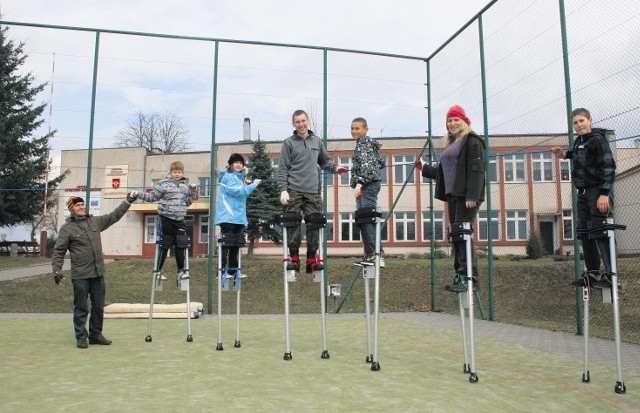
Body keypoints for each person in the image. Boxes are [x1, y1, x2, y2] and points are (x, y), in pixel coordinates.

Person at [52, 191, 138, 349]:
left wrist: (128, 201)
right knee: (81, 307)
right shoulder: (67, 229)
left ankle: (95, 335)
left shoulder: (94, 222)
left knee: (98, 306)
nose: (81, 207)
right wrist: (57, 271)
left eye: (82, 204)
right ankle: (81, 337)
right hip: (80, 275)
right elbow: (58, 251)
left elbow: (114, 216)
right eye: (77, 205)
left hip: (98, 273)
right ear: (71, 209)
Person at [415, 105, 486, 292]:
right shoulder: (453, 143)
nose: (452, 123)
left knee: (463, 234)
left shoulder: (472, 141)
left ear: (464, 121)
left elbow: (477, 169)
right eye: (449, 120)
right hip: (453, 195)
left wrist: (472, 195)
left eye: (456, 120)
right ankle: (461, 275)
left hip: (466, 196)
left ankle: (471, 278)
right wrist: (425, 168)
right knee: (456, 236)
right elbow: (443, 172)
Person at [552, 108, 616, 288]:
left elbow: (608, 166)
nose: (579, 125)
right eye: (575, 123)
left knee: (601, 230)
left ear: (590, 120)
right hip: (583, 192)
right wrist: (563, 154)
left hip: (598, 191)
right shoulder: (580, 141)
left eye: (581, 121)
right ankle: (593, 273)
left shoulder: (598, 140)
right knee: (585, 232)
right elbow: (579, 155)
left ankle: (611, 275)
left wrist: (604, 193)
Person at [278, 109, 348, 273]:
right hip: (293, 189)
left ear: (307, 121)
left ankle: (311, 259)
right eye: (297, 122)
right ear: (293, 124)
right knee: (293, 223)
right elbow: (282, 169)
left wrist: (336, 168)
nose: (301, 124)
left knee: (315, 223)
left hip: (312, 191)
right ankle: (294, 259)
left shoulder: (316, 141)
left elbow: (325, 162)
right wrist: (283, 190)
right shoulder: (288, 143)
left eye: (303, 121)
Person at [136, 161, 197, 285]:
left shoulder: (184, 187)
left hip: (179, 220)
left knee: (180, 245)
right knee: (165, 244)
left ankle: (180, 271)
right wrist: (138, 194)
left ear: (183, 173)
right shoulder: (163, 184)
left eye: (179, 172)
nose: (177, 174)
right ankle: (158, 270)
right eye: (175, 172)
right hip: (166, 218)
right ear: (171, 172)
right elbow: (151, 197)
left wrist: (193, 191)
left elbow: (188, 202)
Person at [215, 153, 261, 275]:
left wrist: (244, 183)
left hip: (238, 217)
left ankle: (233, 270)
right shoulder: (228, 177)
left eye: (241, 163)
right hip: (228, 216)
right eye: (236, 162)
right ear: (230, 164)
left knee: (236, 244)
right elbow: (240, 192)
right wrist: (254, 185)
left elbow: (240, 188)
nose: (239, 165)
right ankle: (221, 270)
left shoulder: (238, 179)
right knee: (226, 244)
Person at [349, 117, 386, 267]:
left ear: (365, 129)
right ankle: (372, 253)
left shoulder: (364, 144)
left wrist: (360, 182)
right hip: (369, 184)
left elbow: (368, 166)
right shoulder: (367, 144)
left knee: (366, 219)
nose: (354, 131)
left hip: (367, 186)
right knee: (365, 219)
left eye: (357, 128)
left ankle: (374, 254)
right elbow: (380, 163)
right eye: (352, 128)